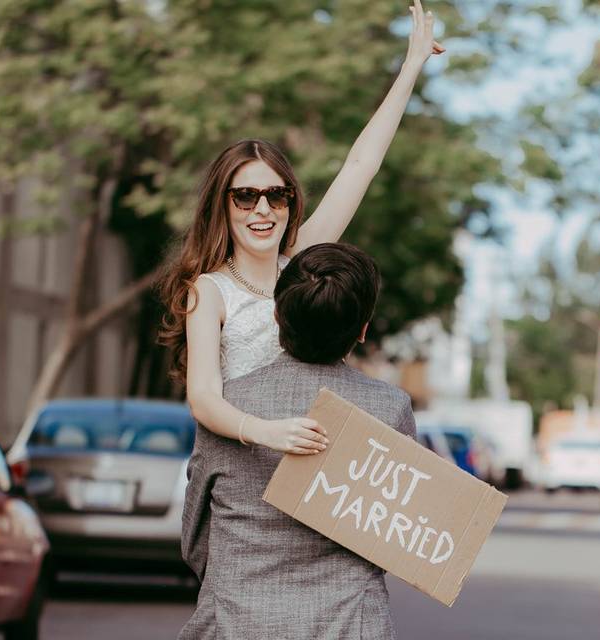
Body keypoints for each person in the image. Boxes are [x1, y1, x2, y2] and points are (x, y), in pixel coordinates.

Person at [158, 0, 442, 456]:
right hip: (244, 461)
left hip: (316, 465)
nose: (262, 209)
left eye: (277, 194)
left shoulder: (305, 257)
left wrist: (411, 65)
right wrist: (267, 431)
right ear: (223, 205)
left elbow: (360, 165)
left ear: (291, 200)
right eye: (246, 196)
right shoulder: (209, 291)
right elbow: (204, 398)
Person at [179, 243, 416, 639]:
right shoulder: (389, 408)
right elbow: (393, 533)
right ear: (362, 330)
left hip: (237, 621)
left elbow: (195, 534)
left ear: (276, 315)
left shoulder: (229, 407)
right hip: (348, 625)